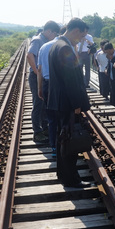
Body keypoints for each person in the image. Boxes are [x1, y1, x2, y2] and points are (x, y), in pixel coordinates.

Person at [48, 18, 91, 188]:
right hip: (66, 103)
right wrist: (76, 104)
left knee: (63, 140)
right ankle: (72, 180)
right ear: (75, 31)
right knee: (69, 141)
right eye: (81, 36)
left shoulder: (56, 44)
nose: (81, 40)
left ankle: (64, 175)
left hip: (59, 101)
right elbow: (70, 80)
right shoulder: (65, 47)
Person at [27, 21, 60, 143]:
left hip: (42, 76)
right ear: (49, 31)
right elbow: (30, 55)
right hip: (36, 75)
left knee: (45, 103)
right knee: (38, 104)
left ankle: (45, 128)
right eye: (54, 33)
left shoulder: (45, 41)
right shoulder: (37, 40)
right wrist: (37, 72)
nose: (54, 36)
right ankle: (37, 132)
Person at [37, 27, 66, 158]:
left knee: (51, 119)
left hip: (47, 85)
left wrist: (39, 88)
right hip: (61, 85)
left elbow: (39, 71)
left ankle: (53, 147)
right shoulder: (64, 47)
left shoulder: (43, 47)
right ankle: (64, 146)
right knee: (63, 117)